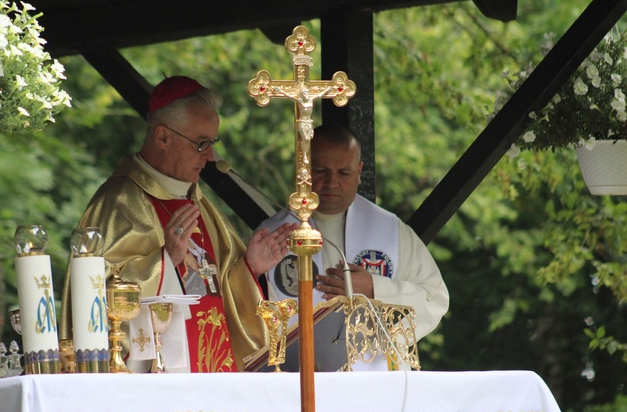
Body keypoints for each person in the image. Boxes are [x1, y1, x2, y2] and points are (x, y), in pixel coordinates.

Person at [61, 76, 295, 373]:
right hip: (153, 381)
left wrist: (250, 268)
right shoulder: (117, 203)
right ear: (162, 137)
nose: (210, 156)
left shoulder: (198, 202)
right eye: (201, 144)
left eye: (212, 143)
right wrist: (164, 261)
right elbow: (94, 298)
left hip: (215, 376)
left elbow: (216, 292)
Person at [260, 123, 449, 351]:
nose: (331, 182)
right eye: (320, 171)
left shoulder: (391, 232)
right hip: (303, 376)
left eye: (344, 173)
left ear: (359, 171)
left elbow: (434, 299)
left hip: (373, 377)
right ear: (303, 169)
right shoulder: (270, 238)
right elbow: (250, 314)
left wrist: (374, 289)